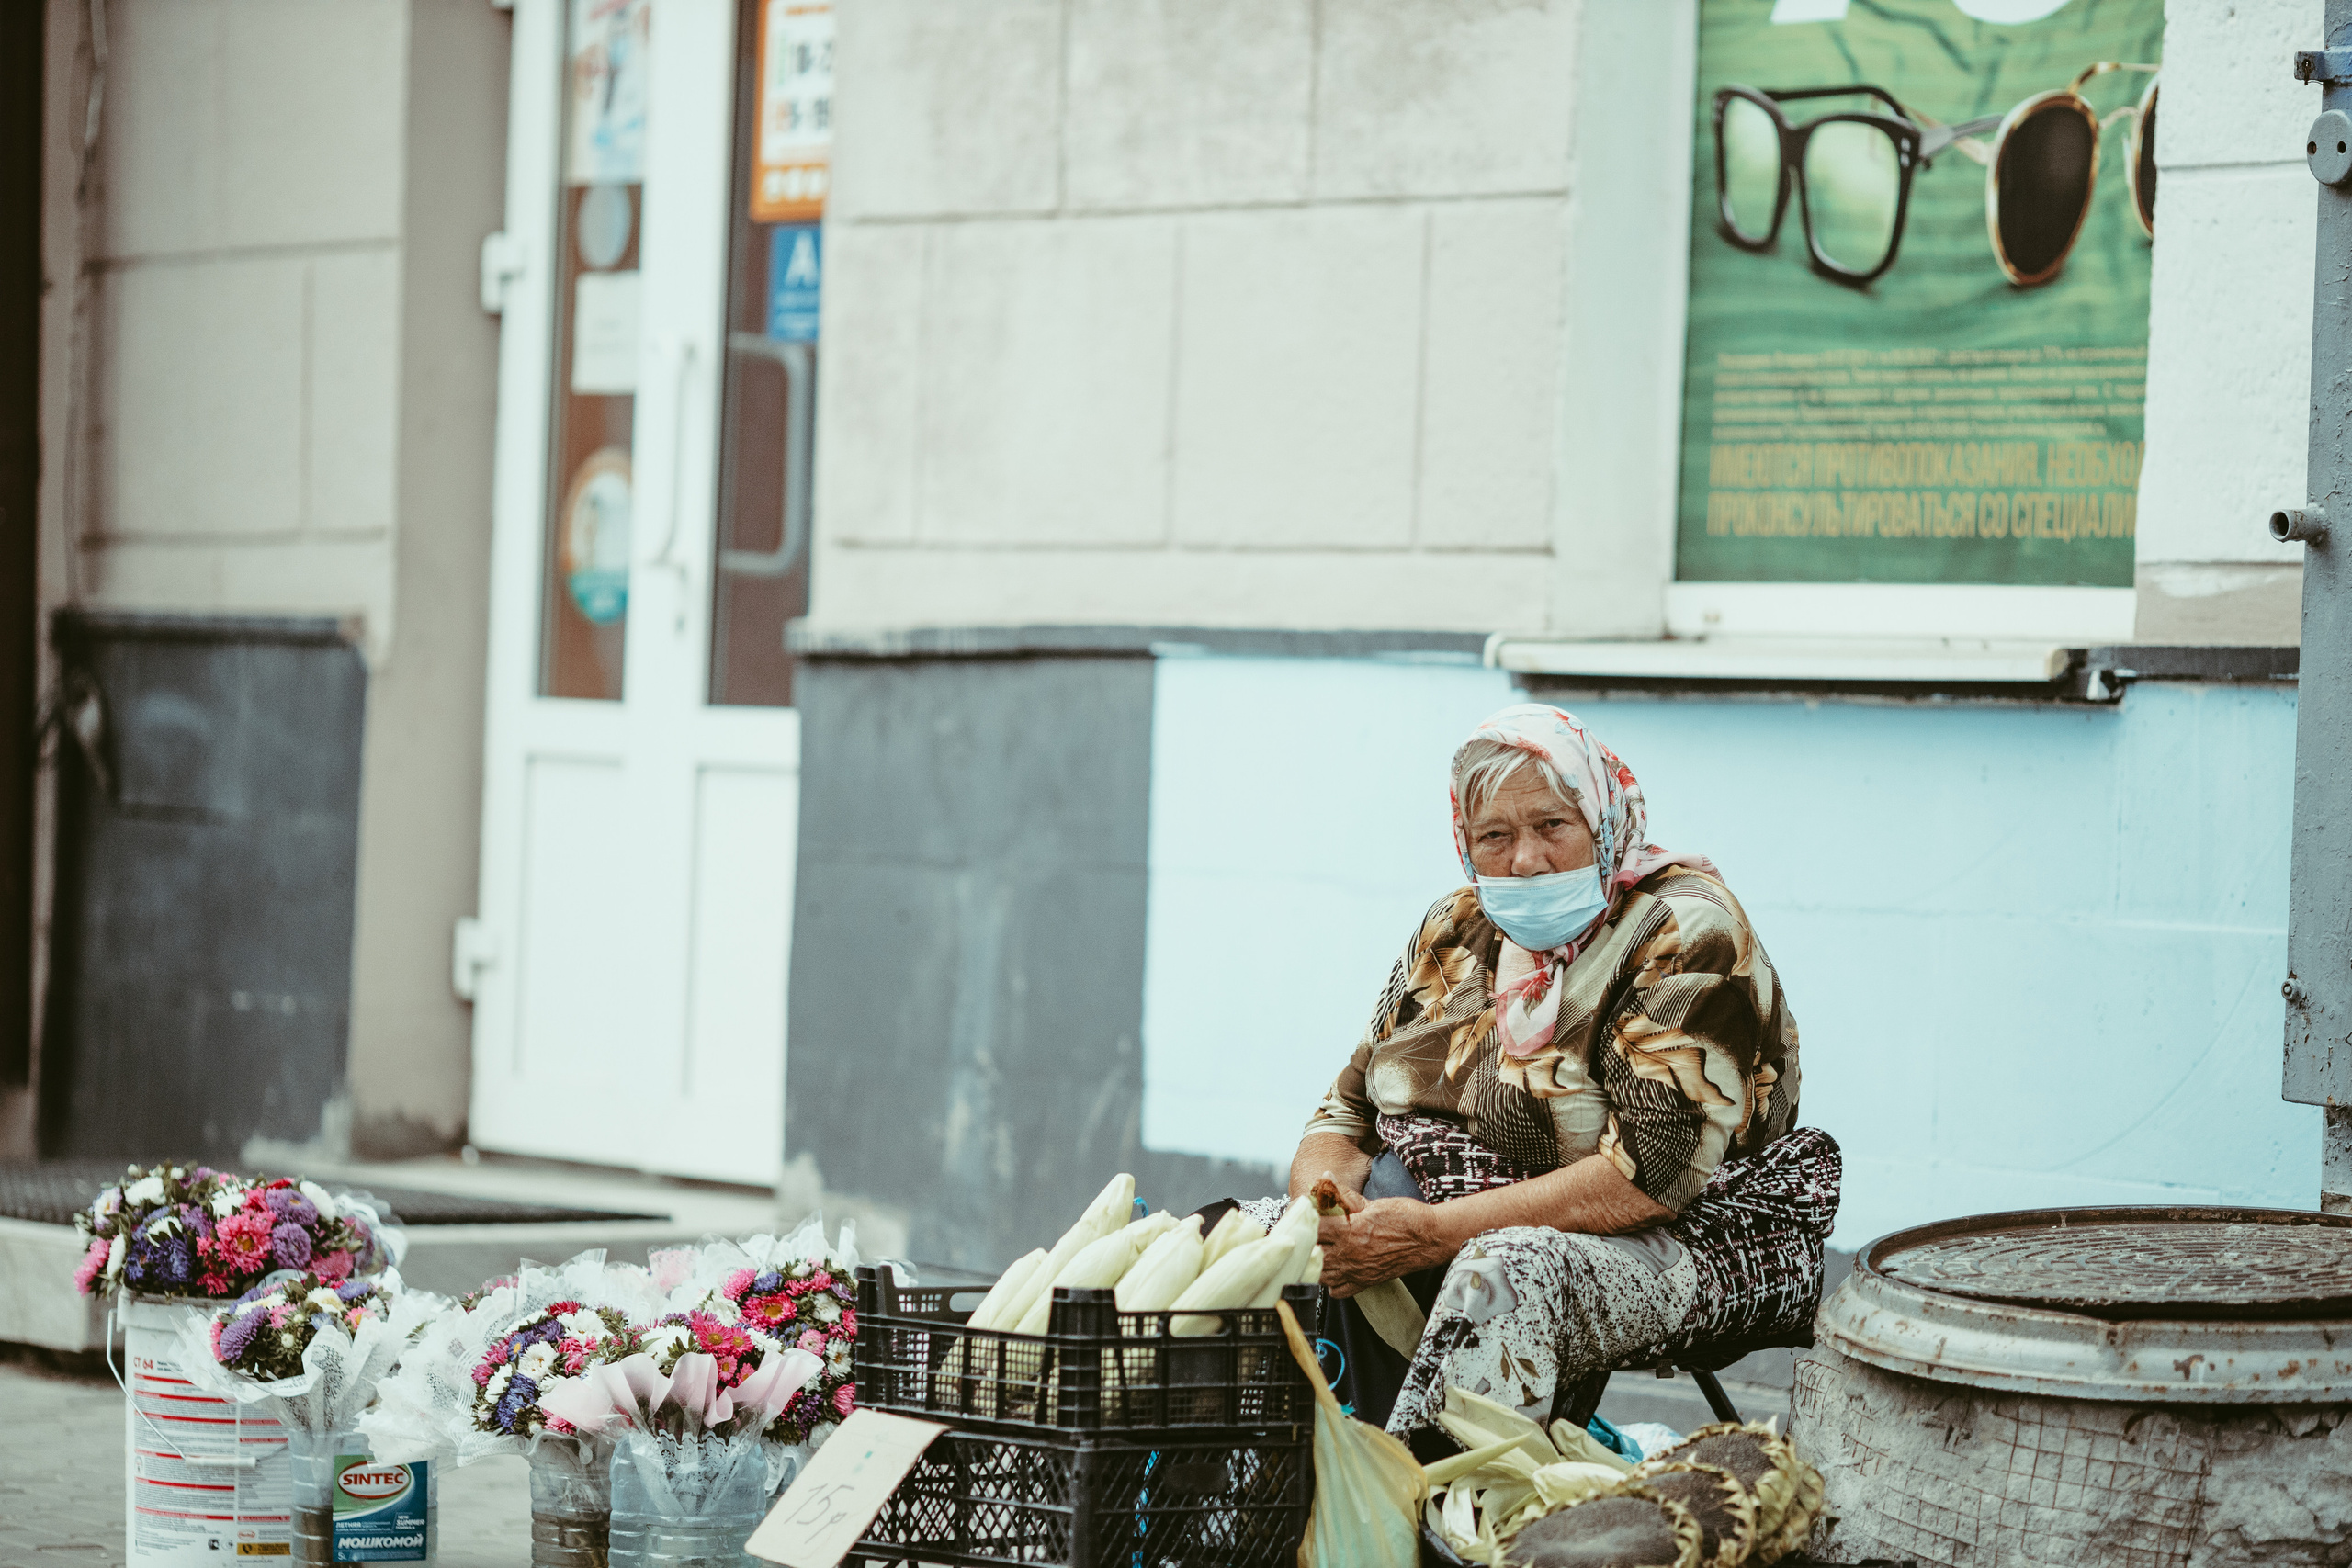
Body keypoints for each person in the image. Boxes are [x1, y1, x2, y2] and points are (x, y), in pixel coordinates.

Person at [1286, 703, 1838, 1443]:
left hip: (1693, 1230)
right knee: (1256, 1243)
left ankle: (1445, 1495)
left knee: (1496, 1273)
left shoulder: (1682, 929)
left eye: (1552, 825)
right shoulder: (1455, 928)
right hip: (1448, 1207)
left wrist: (1434, 1233)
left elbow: (1648, 1179)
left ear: (1602, 822)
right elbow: (1345, 1110)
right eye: (1494, 835)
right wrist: (1326, 1214)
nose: (1525, 859)